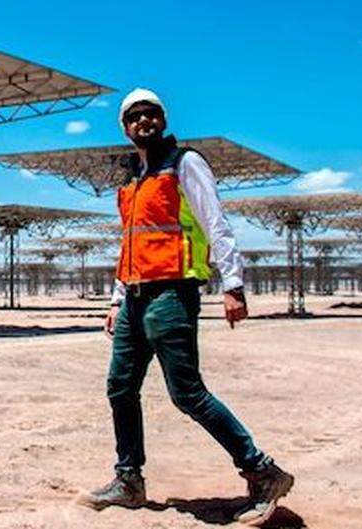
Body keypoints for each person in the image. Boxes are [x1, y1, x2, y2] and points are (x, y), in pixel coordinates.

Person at [77, 88, 294, 526]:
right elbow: (132, 243)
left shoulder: (185, 164)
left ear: (163, 119)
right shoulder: (132, 179)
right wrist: (117, 299)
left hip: (172, 295)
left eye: (151, 114)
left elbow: (216, 222)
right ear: (124, 127)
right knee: (120, 387)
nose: (143, 122)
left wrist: (233, 284)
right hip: (135, 299)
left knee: (187, 394)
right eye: (135, 116)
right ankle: (129, 480)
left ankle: (261, 471)